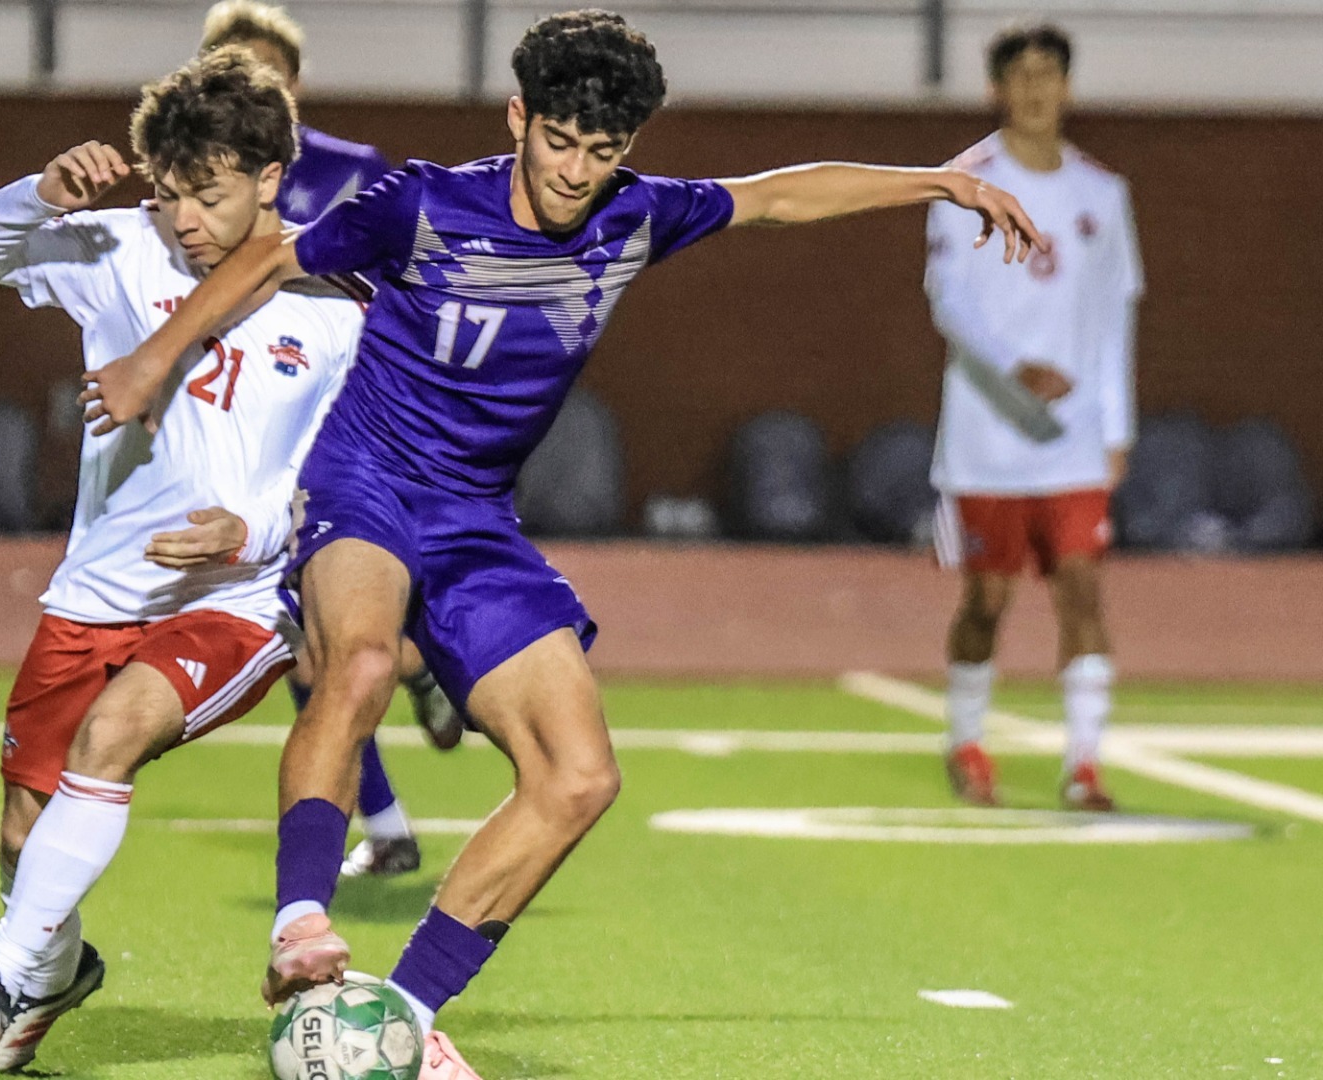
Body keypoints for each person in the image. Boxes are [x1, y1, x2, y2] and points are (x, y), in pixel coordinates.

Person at [81, 10, 1043, 1075]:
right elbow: (269, 261)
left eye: (604, 150)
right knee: (355, 659)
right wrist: (156, 361)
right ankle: (300, 923)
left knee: (579, 777)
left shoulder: (636, 215)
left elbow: (776, 196)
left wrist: (937, 181)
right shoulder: (423, 205)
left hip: (478, 518)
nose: (578, 170)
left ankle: (397, 1013)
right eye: (559, 140)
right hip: (369, 479)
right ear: (518, 116)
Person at [0, 50, 366, 1072]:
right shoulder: (121, 251)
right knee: (23, 844)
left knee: (113, 736)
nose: (184, 222)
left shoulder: (334, 318)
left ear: (268, 180)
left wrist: (247, 535)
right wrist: (41, 191)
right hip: (94, 594)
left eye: (206, 197)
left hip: (238, 603)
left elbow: (338, 487)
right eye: (167, 196)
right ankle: (57, 967)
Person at [201, 0, 466, 880]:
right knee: (307, 645)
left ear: (296, 84)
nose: (254, 90)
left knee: (309, 638)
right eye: (236, 73)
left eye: (269, 74)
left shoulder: (357, 173)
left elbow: (410, 280)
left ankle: (385, 822)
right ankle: (390, 812)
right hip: (255, 426)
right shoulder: (196, 181)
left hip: (349, 424)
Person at [927, 23, 1143, 811]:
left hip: (1075, 443)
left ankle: (1085, 765)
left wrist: (1117, 426)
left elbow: (1117, 313)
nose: (1035, 88)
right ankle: (967, 739)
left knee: (1083, 592)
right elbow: (949, 304)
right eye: (1020, 74)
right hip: (987, 438)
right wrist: (1015, 375)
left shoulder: (1102, 194)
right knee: (985, 602)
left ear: (1068, 87)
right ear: (996, 89)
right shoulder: (962, 183)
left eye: (1049, 73)